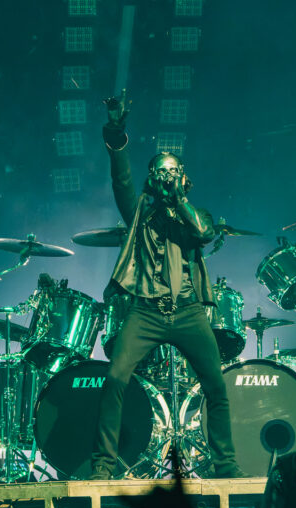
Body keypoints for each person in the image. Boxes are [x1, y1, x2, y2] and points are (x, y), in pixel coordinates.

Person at [88, 91, 243, 479]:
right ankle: (103, 466)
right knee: (115, 379)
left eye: (172, 172)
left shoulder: (196, 213)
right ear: (150, 178)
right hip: (146, 311)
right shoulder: (139, 211)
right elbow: (120, 177)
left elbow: (204, 233)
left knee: (216, 386)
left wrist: (180, 200)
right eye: (159, 172)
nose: (165, 178)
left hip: (188, 312)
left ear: (184, 178)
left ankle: (226, 465)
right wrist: (116, 133)